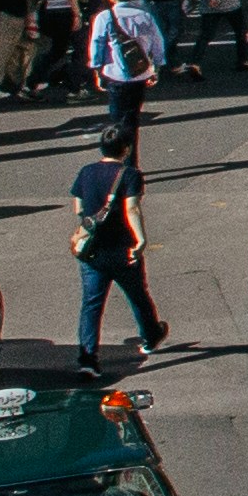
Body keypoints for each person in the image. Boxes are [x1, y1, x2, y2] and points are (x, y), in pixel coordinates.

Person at [68, 143, 168, 366]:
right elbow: (132, 208)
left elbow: (78, 208)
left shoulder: (86, 171)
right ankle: (151, 336)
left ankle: (88, 359)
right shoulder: (130, 175)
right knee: (137, 296)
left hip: (93, 251)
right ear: (126, 149)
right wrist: (140, 238)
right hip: (123, 248)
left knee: (91, 305)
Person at [84, 0, 166, 151]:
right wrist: (156, 67)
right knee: (133, 116)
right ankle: (131, 158)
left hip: (115, 74)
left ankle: (119, 154)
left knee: (117, 118)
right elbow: (158, 44)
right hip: (140, 73)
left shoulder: (105, 17)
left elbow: (97, 45)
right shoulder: (145, 16)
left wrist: (97, 71)